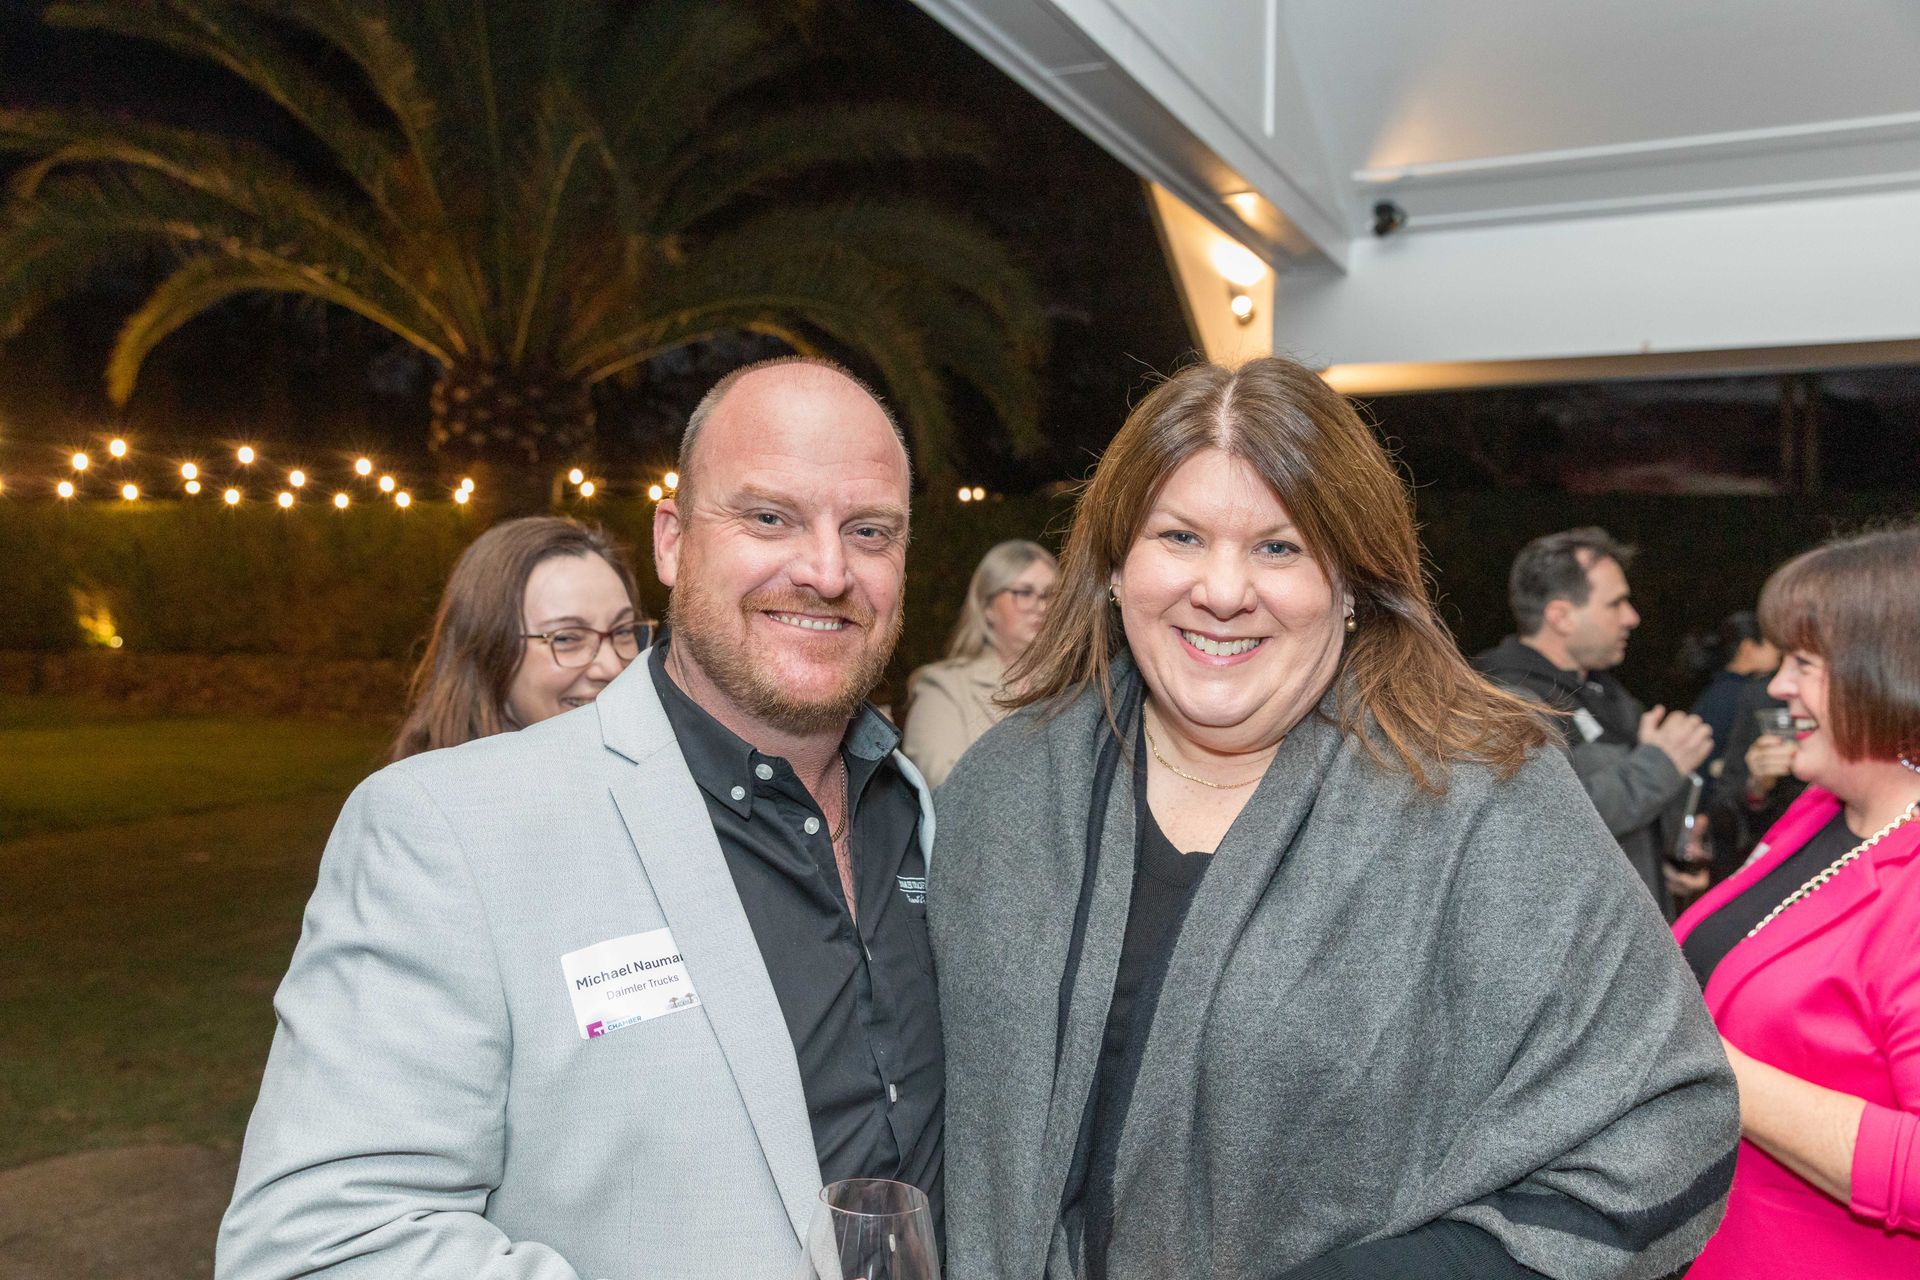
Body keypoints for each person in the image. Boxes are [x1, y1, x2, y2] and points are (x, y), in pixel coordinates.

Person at [929, 357, 1738, 1280]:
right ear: (1117, 566)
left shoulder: (1479, 798)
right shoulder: (1006, 787)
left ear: (1352, 582)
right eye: (1181, 537)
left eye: (1279, 548)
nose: (1224, 591)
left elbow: (1662, 1125)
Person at [218, 357, 943, 1279]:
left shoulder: (911, 808)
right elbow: (321, 1245)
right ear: (673, 541)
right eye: (770, 517)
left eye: (870, 531)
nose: (827, 570)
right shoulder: (448, 829)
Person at [1674, 524, 1920, 1278]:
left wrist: (1701, 1064)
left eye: (1804, 663)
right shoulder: (1822, 808)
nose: (1778, 686)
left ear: (1889, 673)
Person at [1473, 528, 1714, 918]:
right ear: (1561, 617)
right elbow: (1549, 823)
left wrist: (1671, 855)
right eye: (1616, 603)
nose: (1632, 617)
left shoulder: (1603, 691)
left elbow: (1629, 817)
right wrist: (1661, 762)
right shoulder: (1504, 700)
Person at [389, 516, 647, 760]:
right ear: (490, 650)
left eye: (623, 631)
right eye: (567, 638)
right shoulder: (430, 800)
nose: (612, 667)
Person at [901, 539, 1058, 786]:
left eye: (1050, 595)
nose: (1041, 606)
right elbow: (948, 790)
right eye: (1024, 593)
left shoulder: (1076, 685)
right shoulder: (944, 689)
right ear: (987, 607)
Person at [1687, 609, 1782, 779]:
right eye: (1773, 643)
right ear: (1748, 648)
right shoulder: (1742, 694)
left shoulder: (1716, 689)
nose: (1780, 652)